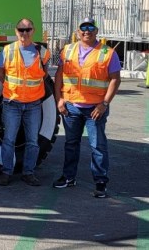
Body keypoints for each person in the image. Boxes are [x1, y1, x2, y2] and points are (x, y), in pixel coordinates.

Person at [53, 17, 121, 198]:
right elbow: (59, 75)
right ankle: (69, 177)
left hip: (95, 109)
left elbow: (115, 79)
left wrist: (104, 104)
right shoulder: (68, 50)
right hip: (71, 107)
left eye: (90, 28)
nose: (86, 31)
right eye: (83, 28)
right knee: (71, 144)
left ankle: (100, 182)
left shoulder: (107, 53)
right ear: (78, 31)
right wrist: (59, 99)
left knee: (98, 146)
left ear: (96, 31)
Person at [0, 18, 49, 187]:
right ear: (16, 31)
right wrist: (10, 87)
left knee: (32, 141)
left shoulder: (42, 52)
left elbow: (45, 74)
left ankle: (28, 173)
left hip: (33, 104)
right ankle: (6, 172)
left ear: (33, 31)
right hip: (12, 103)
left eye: (28, 29)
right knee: (9, 140)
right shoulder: (7, 50)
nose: (24, 33)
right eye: (21, 30)